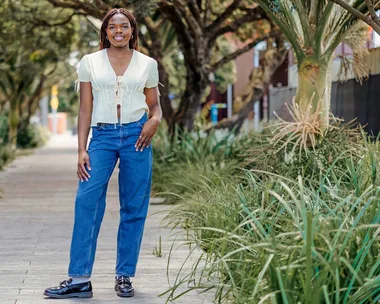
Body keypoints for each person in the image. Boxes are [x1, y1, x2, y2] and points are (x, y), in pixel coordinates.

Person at [44, 8, 162, 299]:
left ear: (132, 30)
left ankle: (124, 276)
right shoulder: (90, 63)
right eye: (112, 27)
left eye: (124, 26)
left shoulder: (148, 64)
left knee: (134, 207)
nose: (118, 31)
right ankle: (79, 278)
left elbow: (155, 105)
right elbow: (85, 108)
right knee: (86, 202)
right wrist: (81, 149)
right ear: (106, 31)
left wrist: (154, 121)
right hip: (103, 137)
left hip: (137, 136)